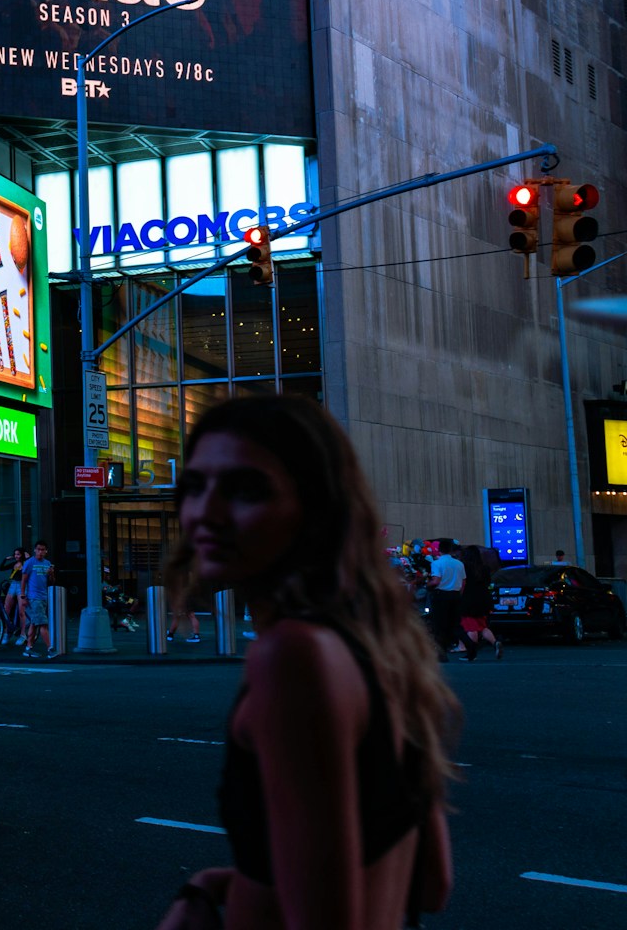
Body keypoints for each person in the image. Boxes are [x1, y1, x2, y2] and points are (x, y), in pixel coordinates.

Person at [154, 396, 456, 930]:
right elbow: (431, 885)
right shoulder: (382, 646)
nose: (207, 513)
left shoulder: (292, 657)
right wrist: (213, 884)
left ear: (316, 506)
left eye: (246, 489)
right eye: (195, 486)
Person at [427, 540, 474, 662]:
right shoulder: (459, 564)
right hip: (455, 595)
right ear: (451, 550)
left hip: (441, 595)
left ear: (439, 550)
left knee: (439, 626)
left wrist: (428, 584)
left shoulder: (437, 563)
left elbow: (436, 581)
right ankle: (471, 647)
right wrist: (459, 594)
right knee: (456, 625)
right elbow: (463, 582)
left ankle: (441, 653)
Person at [459, 546, 502, 661]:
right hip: (484, 598)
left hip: (469, 599)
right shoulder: (484, 568)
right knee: (482, 625)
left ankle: (472, 653)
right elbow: (488, 583)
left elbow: (462, 584)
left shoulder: (464, 567)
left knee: (470, 626)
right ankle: (495, 642)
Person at [23, 542, 54, 658]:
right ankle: (50, 648)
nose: (40, 552)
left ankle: (28, 648)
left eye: (43, 550)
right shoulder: (30, 562)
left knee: (34, 624)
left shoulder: (47, 563)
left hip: (43, 596)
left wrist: (51, 574)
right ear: (35, 550)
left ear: (46, 551)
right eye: (38, 549)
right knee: (43, 624)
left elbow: (51, 581)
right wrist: (23, 595)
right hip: (34, 597)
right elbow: (24, 580)